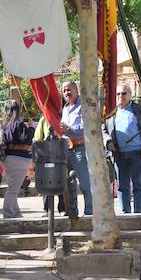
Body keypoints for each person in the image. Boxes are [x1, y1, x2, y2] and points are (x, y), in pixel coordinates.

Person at [104, 83, 141, 214]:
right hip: (119, 154)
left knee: (138, 184)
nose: (120, 96)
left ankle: (137, 212)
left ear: (130, 95)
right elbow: (103, 130)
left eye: (124, 93)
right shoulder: (110, 113)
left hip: (138, 153)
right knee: (122, 185)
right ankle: (125, 212)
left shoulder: (140, 110)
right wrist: (108, 141)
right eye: (118, 94)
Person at [59, 81, 93, 216]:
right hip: (66, 149)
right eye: (64, 91)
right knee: (69, 183)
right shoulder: (65, 108)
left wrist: (69, 129)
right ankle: (72, 212)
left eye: (69, 90)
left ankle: (89, 212)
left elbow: (87, 128)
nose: (67, 93)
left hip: (80, 147)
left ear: (76, 90)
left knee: (84, 182)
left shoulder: (83, 106)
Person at [0, 100, 34, 219]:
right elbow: (27, 139)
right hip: (19, 159)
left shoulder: (4, 125)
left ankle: (16, 212)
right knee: (13, 189)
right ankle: (8, 213)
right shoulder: (18, 124)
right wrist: (31, 128)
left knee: (13, 186)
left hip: (8, 159)